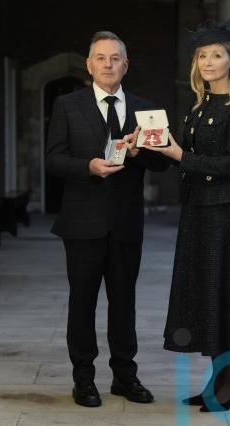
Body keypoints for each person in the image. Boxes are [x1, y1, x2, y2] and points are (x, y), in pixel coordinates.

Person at [143, 17, 230, 412]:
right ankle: (220, 380)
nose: (208, 62)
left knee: (227, 295)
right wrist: (154, 145)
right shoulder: (197, 108)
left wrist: (181, 155)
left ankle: (229, 382)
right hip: (197, 210)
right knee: (208, 296)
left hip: (225, 212)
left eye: (216, 55)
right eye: (202, 56)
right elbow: (185, 158)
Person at [46, 31, 167, 408]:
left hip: (126, 223)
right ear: (89, 65)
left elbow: (162, 162)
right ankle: (83, 379)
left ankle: (125, 377)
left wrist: (140, 154)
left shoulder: (146, 109)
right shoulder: (67, 105)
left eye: (115, 58)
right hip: (82, 223)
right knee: (82, 303)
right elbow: (53, 159)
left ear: (125, 65)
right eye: (100, 58)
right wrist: (88, 166)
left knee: (124, 303)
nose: (108, 64)